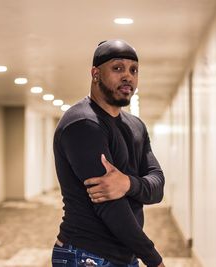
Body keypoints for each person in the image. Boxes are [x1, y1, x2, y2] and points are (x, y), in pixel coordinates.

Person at [52, 39, 166, 267]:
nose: (128, 76)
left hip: (125, 254)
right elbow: (110, 207)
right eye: (117, 68)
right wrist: (154, 260)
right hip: (87, 255)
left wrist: (128, 184)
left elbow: (158, 186)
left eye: (134, 70)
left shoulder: (136, 126)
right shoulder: (83, 124)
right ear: (95, 73)